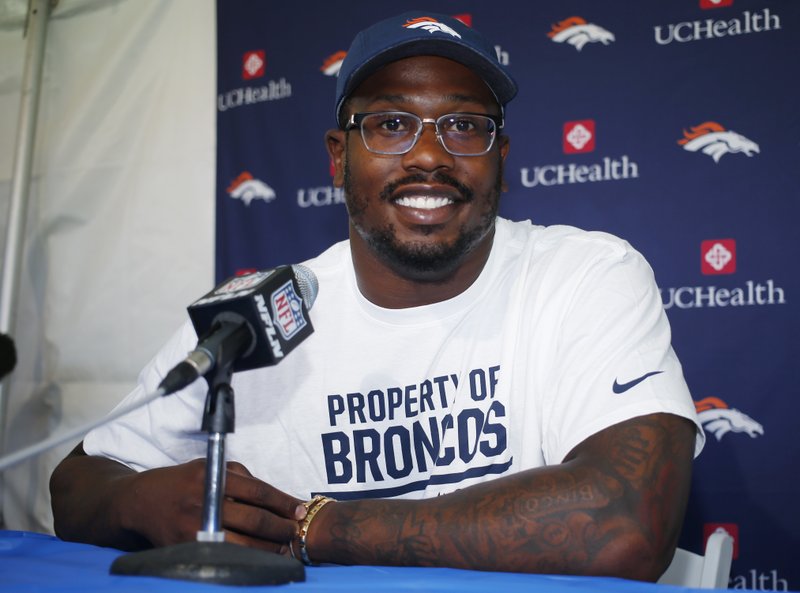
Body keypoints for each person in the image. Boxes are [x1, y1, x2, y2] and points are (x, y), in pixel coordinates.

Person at [50, 11, 703, 581]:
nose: (428, 155)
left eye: (465, 126)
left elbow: (624, 522)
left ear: (502, 159)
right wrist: (141, 500)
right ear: (338, 158)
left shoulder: (584, 274)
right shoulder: (265, 312)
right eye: (390, 124)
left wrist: (313, 527)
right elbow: (76, 483)